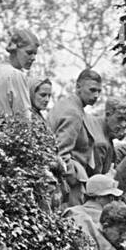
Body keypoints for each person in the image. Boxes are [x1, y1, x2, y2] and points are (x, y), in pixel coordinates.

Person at [47, 69, 104, 207]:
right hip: (68, 185)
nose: (96, 95)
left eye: (98, 91)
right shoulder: (73, 112)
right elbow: (61, 153)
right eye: (92, 90)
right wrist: (75, 181)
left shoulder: (68, 105)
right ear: (78, 86)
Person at [0, 27, 39, 119]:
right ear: (16, 49)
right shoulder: (16, 75)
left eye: (35, 54)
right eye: (29, 52)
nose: (33, 58)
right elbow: (24, 116)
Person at [64, 174, 124, 250]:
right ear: (98, 197)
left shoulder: (71, 211)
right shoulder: (107, 218)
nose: (113, 201)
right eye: (110, 197)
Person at [91, 99, 126, 175]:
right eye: (120, 119)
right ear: (108, 114)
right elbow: (97, 181)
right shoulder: (101, 142)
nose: (124, 125)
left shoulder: (106, 132)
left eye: (125, 120)